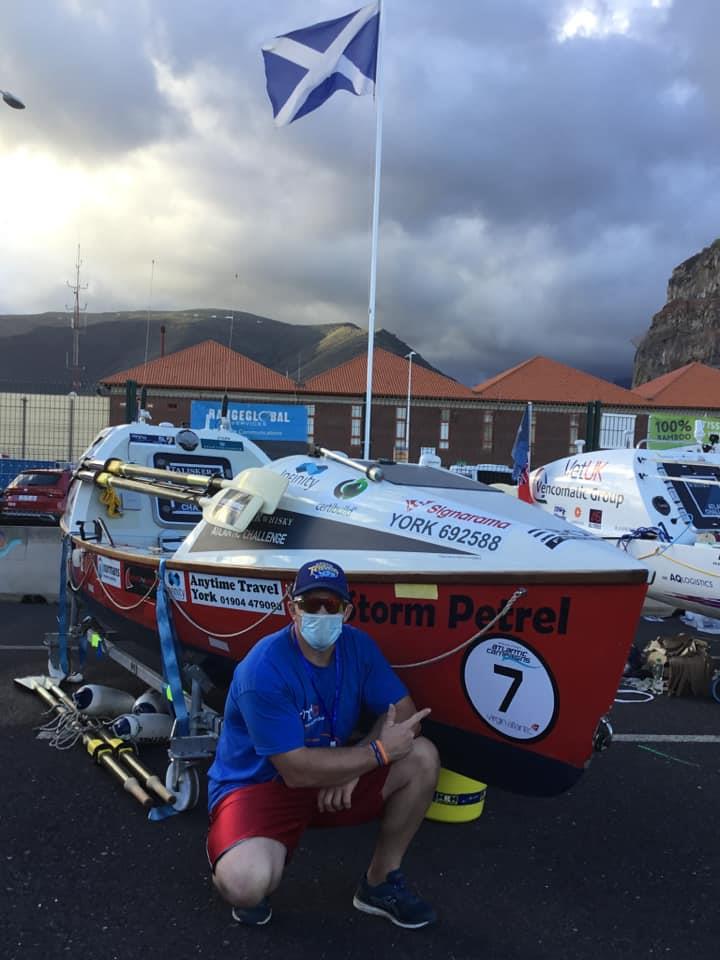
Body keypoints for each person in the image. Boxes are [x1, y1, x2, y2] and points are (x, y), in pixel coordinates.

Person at [206, 558, 440, 929]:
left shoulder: (358, 647)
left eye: (330, 606)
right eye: (308, 604)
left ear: (347, 612)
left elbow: (405, 714)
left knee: (423, 757)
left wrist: (360, 762)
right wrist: (374, 754)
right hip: (260, 786)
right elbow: (295, 771)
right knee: (244, 885)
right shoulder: (263, 668)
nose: (320, 613)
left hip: (333, 776)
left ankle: (379, 883)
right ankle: (233, 846)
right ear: (290, 608)